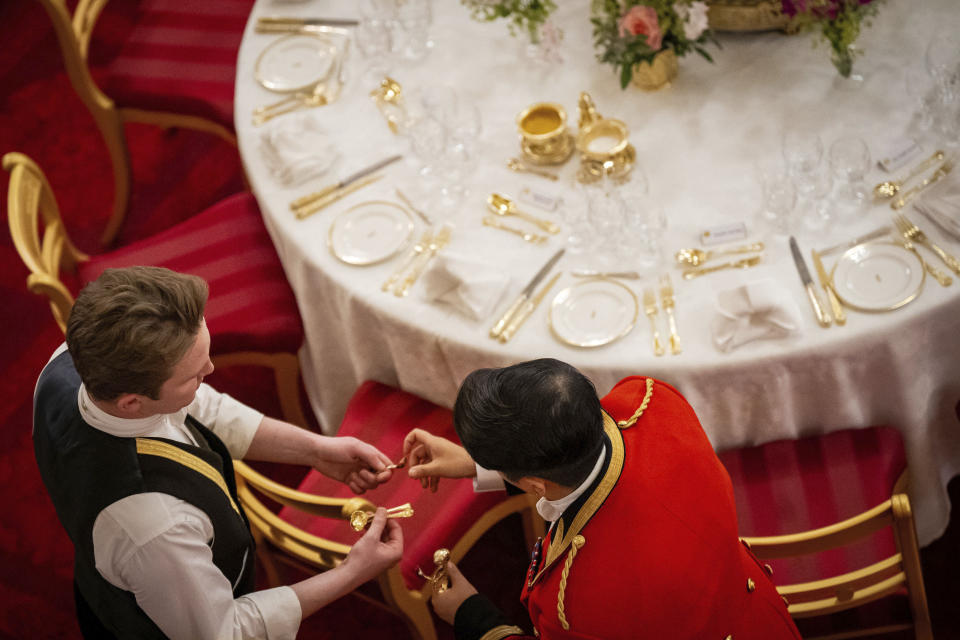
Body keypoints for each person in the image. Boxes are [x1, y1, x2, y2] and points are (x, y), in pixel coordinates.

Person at [33, 266, 403, 639]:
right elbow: (226, 632)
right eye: (193, 376)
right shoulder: (157, 528)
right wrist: (352, 572)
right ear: (132, 403)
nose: (210, 370)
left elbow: (203, 410)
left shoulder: (72, 361)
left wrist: (317, 451)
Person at [402, 358, 802, 640]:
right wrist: (479, 465)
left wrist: (471, 615)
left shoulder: (576, 601)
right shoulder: (652, 402)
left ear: (535, 484)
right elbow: (589, 447)